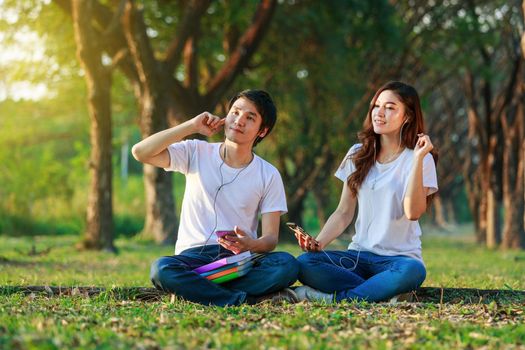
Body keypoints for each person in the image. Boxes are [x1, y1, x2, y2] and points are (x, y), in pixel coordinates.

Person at [132, 89, 299, 306]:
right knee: (162, 269)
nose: (239, 121)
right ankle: (240, 299)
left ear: (262, 130)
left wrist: (250, 244)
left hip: (237, 262)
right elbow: (140, 152)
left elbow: (270, 239)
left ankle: (198, 290)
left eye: (250, 118)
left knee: (287, 264)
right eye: (235, 112)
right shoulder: (196, 152)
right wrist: (191, 126)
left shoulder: (268, 174)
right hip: (194, 259)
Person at [294, 81, 438, 303]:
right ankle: (380, 293)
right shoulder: (357, 154)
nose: (379, 113)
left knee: (414, 272)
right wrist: (319, 243)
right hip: (357, 259)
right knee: (305, 263)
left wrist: (417, 160)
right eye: (376, 106)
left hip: (398, 261)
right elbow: (343, 212)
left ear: (407, 117)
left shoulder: (420, 158)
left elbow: (413, 212)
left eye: (390, 108)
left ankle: (332, 299)